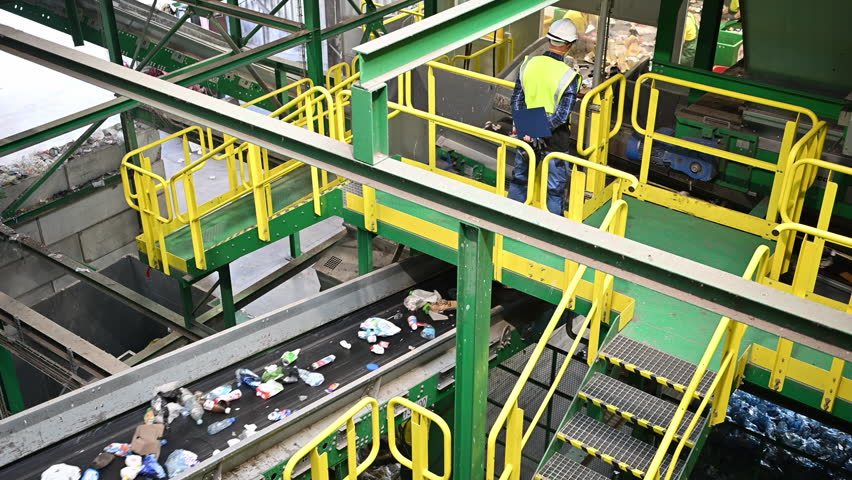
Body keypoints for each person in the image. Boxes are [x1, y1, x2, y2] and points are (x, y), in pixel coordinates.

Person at [507, 18, 582, 215]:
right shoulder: (569, 75)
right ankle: (550, 233)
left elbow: (516, 100)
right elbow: (562, 115)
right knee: (555, 191)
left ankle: (510, 221)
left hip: (526, 131)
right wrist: (540, 132)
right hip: (555, 139)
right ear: (568, 45)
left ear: (550, 40)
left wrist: (529, 130)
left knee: (520, 180)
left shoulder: (529, 64)